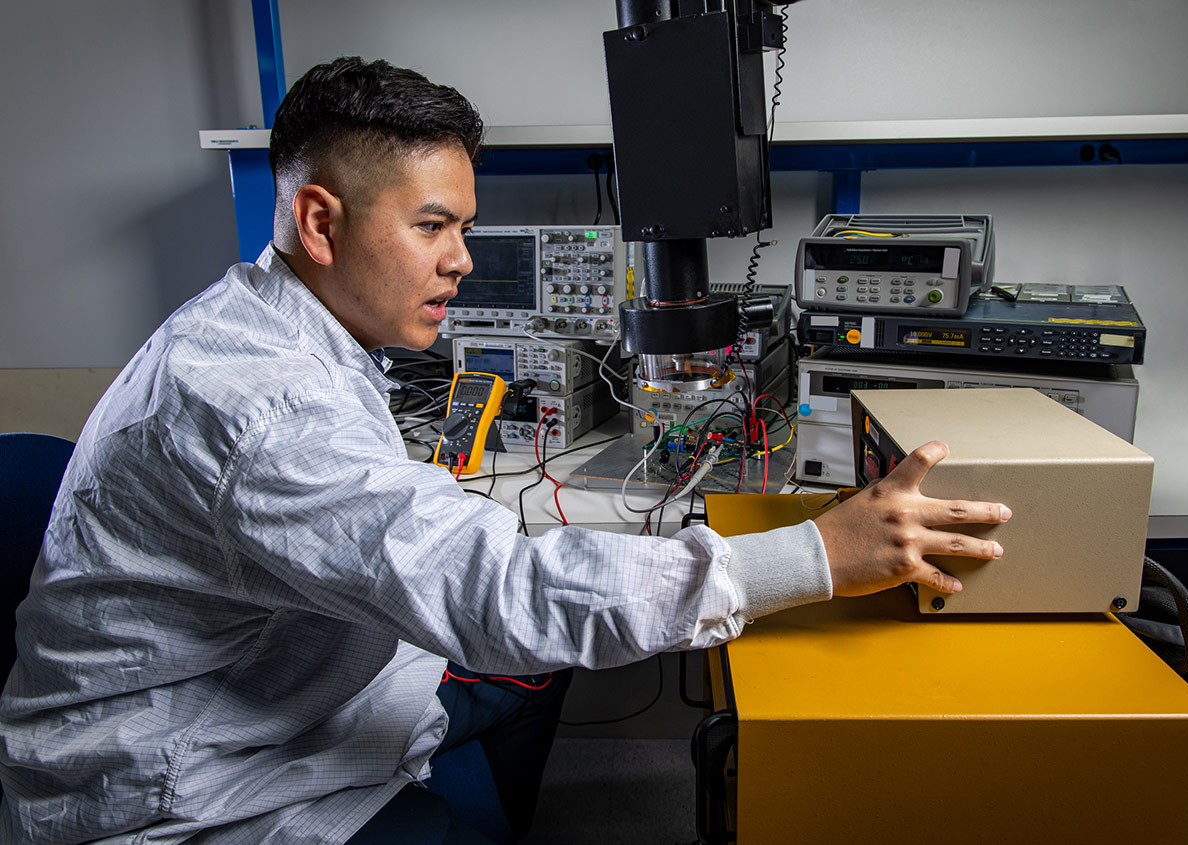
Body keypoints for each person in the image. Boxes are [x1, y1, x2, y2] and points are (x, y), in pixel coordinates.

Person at [0, 57, 1010, 844]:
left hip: (287, 681)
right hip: (195, 790)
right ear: (320, 220)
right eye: (434, 226)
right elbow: (494, 589)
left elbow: (406, 534)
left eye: (466, 226)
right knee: (526, 627)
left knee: (540, 667)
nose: (462, 261)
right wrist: (821, 555)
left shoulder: (274, 322)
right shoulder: (257, 399)